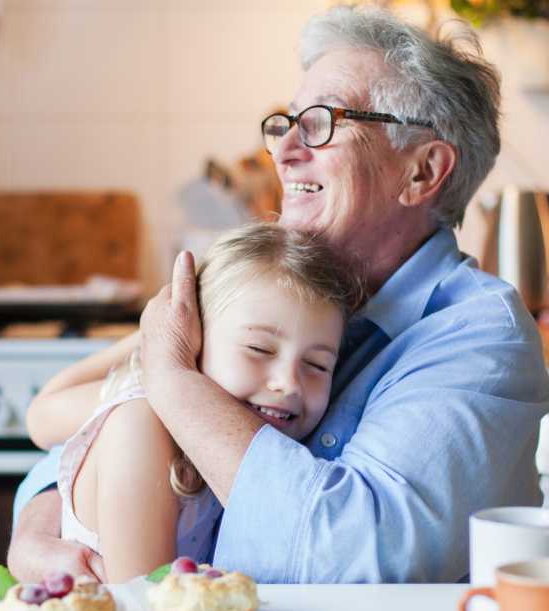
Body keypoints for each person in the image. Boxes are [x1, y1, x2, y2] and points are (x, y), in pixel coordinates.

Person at [9, 5, 549, 583]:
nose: (285, 149)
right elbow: (97, 436)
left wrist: (174, 383)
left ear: (421, 172)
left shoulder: (478, 337)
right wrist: (43, 524)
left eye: (323, 122)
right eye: (287, 121)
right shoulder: (272, 297)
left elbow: (355, 562)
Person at [24, 224, 361, 582]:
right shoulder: (141, 420)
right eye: (259, 349)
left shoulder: (267, 447)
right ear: (195, 337)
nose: (288, 383)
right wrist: (155, 337)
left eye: (317, 365)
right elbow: (149, 603)